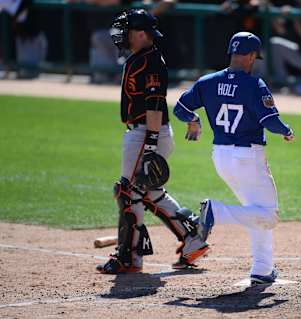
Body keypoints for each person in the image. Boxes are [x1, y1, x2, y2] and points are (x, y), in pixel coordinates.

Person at [173, 31, 295, 285]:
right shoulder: (254, 84)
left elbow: (180, 108)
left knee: (255, 212)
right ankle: (215, 212)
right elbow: (270, 121)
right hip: (247, 157)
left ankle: (262, 269)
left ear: (232, 53)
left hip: (221, 157)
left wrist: (194, 120)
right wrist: (286, 130)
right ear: (251, 56)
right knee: (269, 215)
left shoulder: (207, 81)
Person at [96, 9, 209, 274]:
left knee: (127, 192)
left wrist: (150, 145)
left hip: (147, 133)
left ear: (142, 34)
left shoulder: (151, 61)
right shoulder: (139, 58)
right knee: (148, 192)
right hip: (144, 133)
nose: (122, 34)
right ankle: (193, 237)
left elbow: (155, 104)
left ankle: (129, 258)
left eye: (128, 30)